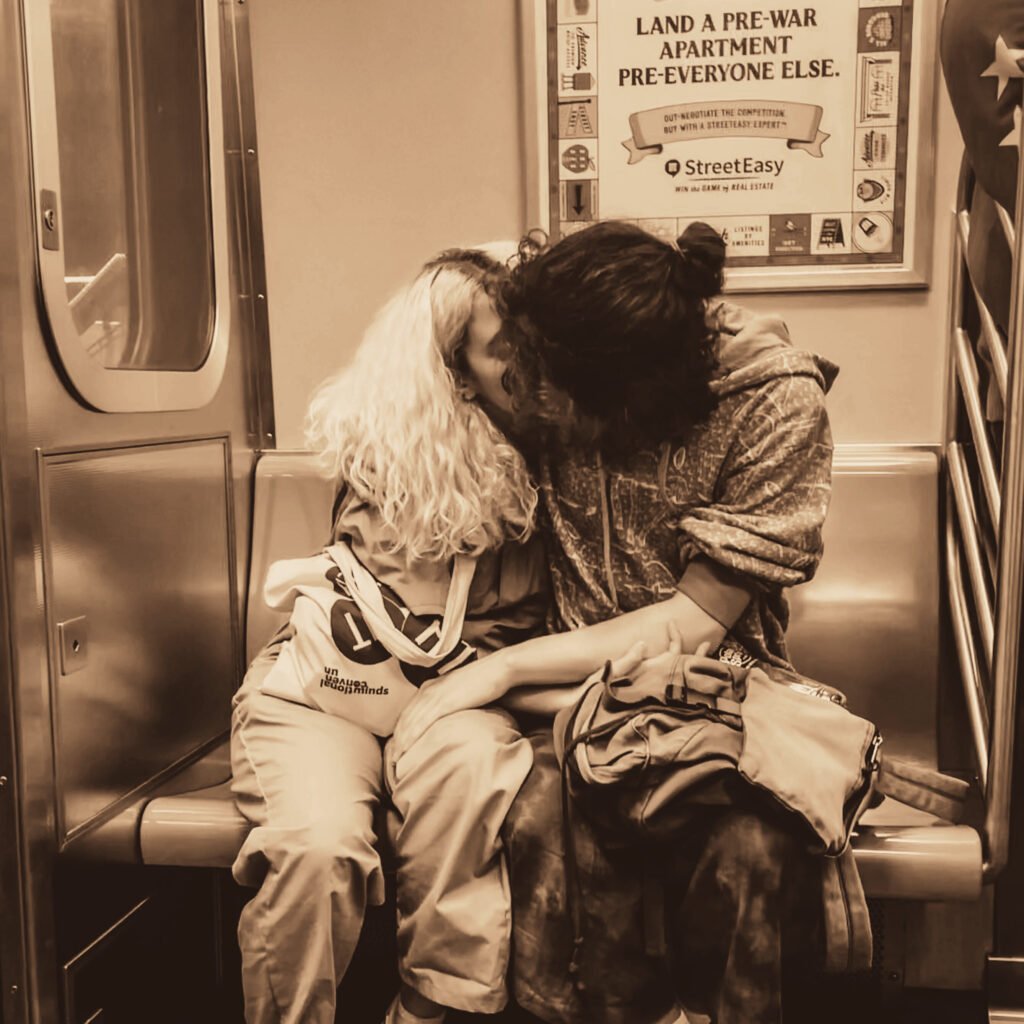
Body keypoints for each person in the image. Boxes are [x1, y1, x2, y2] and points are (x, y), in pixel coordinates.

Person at [392, 221, 837, 1024]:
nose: (538, 406)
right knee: (530, 822)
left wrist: (499, 671)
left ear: (638, 396)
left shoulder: (774, 402)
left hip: (715, 699)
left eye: (558, 393)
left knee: (752, 853)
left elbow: (698, 619)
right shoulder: (556, 337)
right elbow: (424, 389)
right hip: (566, 705)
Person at [229, 244, 551, 1024]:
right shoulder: (397, 452)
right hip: (328, 692)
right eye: (504, 348)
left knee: (468, 778)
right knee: (316, 846)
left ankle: (428, 1012)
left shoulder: (564, 451)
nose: (528, 368)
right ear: (452, 372)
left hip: (461, 692)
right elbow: (394, 623)